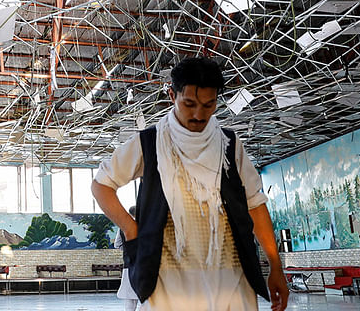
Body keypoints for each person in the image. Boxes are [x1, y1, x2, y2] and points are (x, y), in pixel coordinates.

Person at [92, 56, 289, 311]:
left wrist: (275, 266)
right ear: (171, 95)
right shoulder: (150, 143)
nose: (199, 114)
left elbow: (255, 205)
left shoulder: (229, 145)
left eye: (209, 105)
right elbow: (101, 185)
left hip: (230, 280)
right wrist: (131, 230)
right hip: (167, 282)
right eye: (189, 104)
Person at [115, 205, 140, 311]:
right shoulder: (146, 224)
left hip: (128, 265)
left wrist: (127, 250)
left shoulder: (123, 227)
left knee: (130, 297)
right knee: (148, 297)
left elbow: (117, 245)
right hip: (145, 264)